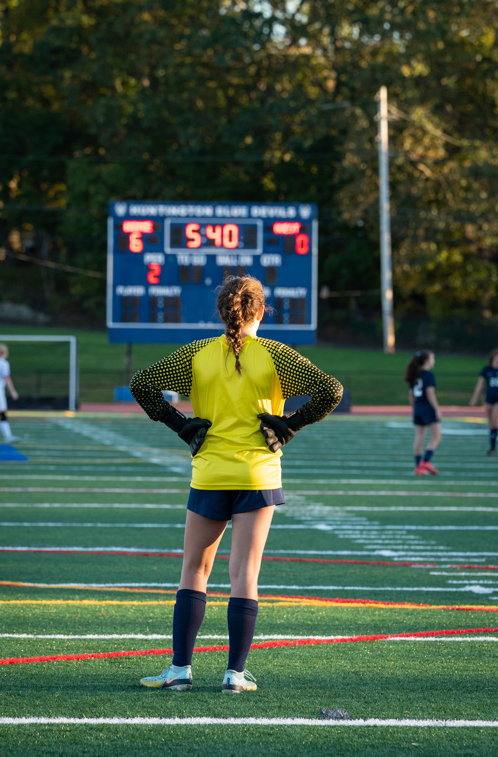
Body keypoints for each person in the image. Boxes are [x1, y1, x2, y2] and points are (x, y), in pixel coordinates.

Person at [129, 275, 343, 693]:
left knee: (194, 570)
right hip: (259, 474)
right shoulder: (277, 355)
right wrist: (290, 425)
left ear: (223, 310)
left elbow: (142, 384)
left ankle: (179, 670)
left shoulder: (198, 353)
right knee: (244, 573)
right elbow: (331, 390)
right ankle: (234, 674)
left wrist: (180, 425)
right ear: (260, 311)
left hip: (210, 473)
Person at [405, 350, 442, 476]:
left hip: (418, 407)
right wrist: (436, 408)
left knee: (419, 437)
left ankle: (418, 467)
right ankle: (425, 462)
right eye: (433, 358)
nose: (434, 361)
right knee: (436, 437)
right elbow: (430, 393)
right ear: (427, 361)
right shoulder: (428, 375)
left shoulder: (415, 374)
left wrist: (413, 408)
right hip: (427, 407)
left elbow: (411, 395)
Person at [469, 347, 498, 456]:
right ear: (495, 356)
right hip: (489, 399)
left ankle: (493, 448)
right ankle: (492, 445)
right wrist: (474, 398)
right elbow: (480, 385)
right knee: (491, 424)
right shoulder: (487, 370)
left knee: (494, 422)